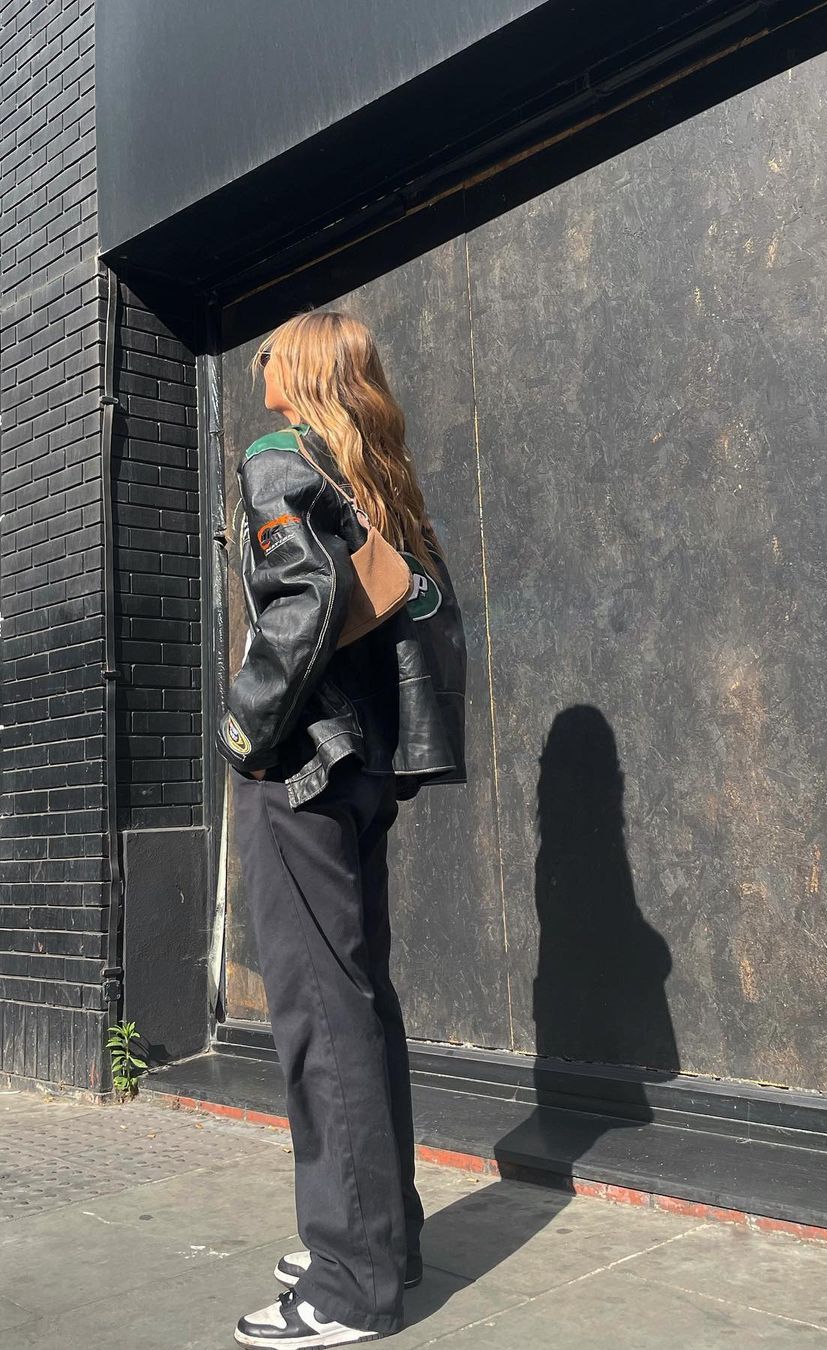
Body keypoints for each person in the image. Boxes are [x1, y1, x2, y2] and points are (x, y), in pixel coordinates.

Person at [213, 308, 468, 1346]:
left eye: (271, 353)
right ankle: (382, 1241)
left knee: (321, 1017)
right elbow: (418, 613)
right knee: (359, 1005)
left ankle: (348, 1286)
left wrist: (244, 729)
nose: (259, 366)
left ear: (302, 370)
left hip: (300, 766)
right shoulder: (379, 477)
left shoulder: (278, 456)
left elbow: (304, 598)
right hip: (361, 771)